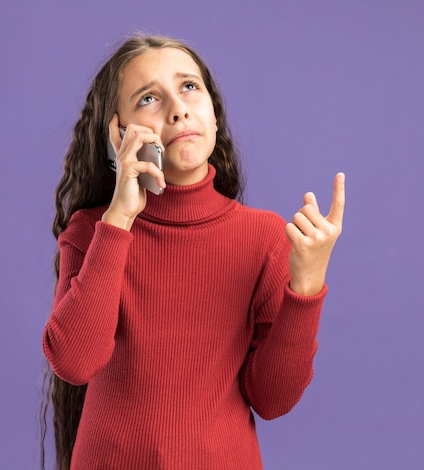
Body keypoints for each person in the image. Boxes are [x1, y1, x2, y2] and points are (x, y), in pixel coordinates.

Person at [41, 34, 345, 470]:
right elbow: (74, 361)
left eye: (189, 87)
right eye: (148, 97)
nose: (178, 108)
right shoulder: (93, 231)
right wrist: (120, 219)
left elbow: (273, 399)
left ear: (214, 116)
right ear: (118, 136)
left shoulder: (263, 237)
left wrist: (308, 284)